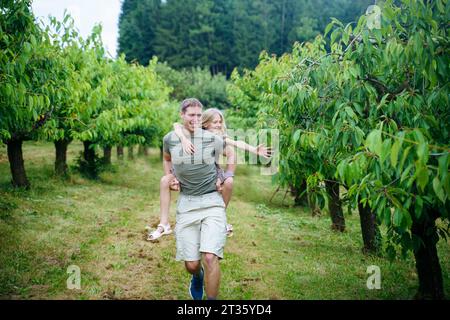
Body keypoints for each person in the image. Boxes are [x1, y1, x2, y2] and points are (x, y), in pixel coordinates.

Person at [146, 108, 272, 241]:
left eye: (220, 122)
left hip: (210, 172)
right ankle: (164, 224)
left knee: (228, 182)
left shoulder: (217, 137)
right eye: (215, 122)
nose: (218, 125)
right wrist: (182, 138)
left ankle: (220, 219)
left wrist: (253, 150)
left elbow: (235, 144)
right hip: (186, 172)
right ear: (205, 123)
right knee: (165, 180)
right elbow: (176, 125)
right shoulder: (195, 132)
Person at [160, 98, 232, 300]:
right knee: (191, 265)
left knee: (210, 257)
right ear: (182, 115)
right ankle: (197, 277)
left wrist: (224, 177)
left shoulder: (212, 139)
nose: (196, 119)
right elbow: (167, 158)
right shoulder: (170, 139)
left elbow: (228, 154)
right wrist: (172, 176)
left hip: (211, 202)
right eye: (191, 115)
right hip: (187, 203)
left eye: (199, 115)